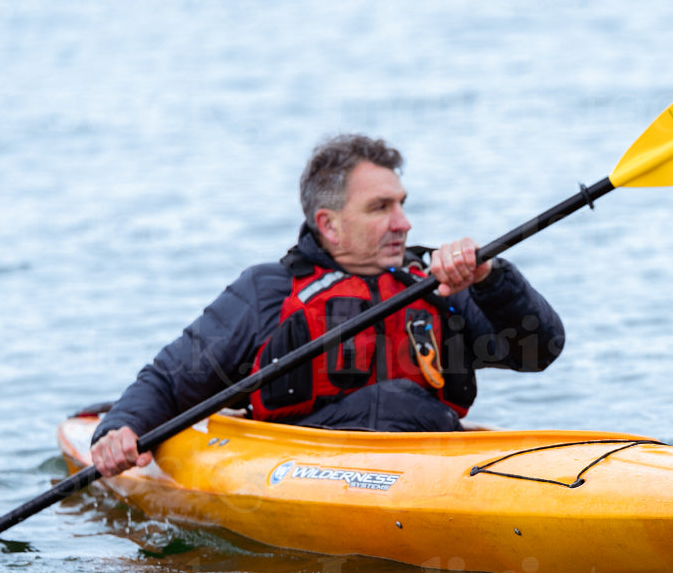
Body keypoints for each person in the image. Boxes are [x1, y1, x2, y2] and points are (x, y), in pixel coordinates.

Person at [90, 134, 564, 477]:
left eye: (401, 204)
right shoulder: (268, 292)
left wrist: (490, 278)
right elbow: (172, 381)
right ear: (330, 225)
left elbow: (537, 350)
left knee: (407, 402)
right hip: (309, 467)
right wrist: (121, 427)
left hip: (432, 460)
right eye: (380, 208)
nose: (404, 222)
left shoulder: (435, 285)